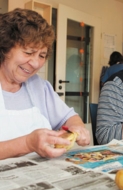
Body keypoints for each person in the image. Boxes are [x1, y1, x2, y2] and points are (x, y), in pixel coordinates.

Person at [0, 8, 90, 160]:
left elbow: (70, 118)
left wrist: (77, 128)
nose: (35, 63)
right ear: (5, 48)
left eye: (42, 55)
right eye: (28, 52)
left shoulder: (40, 87)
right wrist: (27, 144)